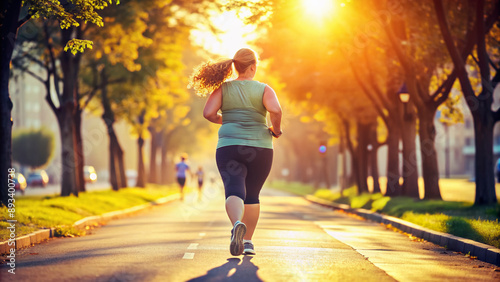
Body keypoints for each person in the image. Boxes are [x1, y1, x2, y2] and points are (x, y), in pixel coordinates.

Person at [188, 48, 282, 256]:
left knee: (233, 189)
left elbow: (208, 113)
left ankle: (237, 224)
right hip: (260, 147)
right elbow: (275, 110)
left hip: (229, 146)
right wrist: (276, 130)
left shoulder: (224, 89)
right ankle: (247, 242)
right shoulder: (265, 89)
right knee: (253, 195)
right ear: (252, 67)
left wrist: (228, 120)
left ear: (235, 66)